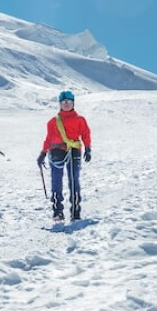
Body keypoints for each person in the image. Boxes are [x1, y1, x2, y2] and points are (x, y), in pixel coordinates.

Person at [38, 90, 92, 222]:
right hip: (56, 151)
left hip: (74, 150)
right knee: (56, 181)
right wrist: (43, 153)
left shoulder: (80, 120)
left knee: (74, 180)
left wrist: (88, 148)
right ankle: (58, 211)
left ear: (73, 103)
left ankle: (75, 211)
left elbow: (85, 133)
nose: (66, 104)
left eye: (69, 102)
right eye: (64, 102)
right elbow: (48, 138)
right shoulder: (53, 122)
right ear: (60, 104)